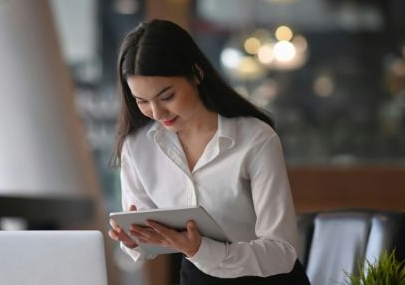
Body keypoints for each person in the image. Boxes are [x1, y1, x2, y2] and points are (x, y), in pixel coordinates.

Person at [108, 19, 311, 285]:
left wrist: (199, 249)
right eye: (142, 101)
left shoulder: (255, 139)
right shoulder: (137, 147)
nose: (157, 113)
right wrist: (134, 240)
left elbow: (281, 252)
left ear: (196, 73)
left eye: (167, 96)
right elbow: (151, 233)